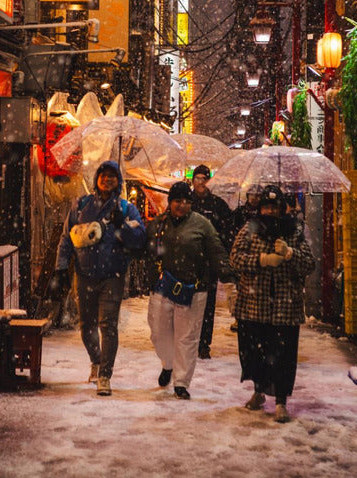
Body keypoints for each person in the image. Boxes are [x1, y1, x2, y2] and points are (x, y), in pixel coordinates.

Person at [52, 160, 146, 397]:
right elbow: (66, 238)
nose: (107, 179)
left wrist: (121, 225)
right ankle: (96, 360)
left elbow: (139, 239)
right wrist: (61, 268)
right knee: (86, 327)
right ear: (96, 179)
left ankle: (105, 375)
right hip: (83, 275)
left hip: (112, 276)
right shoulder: (81, 205)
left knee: (109, 326)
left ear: (118, 181)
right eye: (103, 175)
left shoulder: (126, 209)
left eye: (112, 176)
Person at [229, 184, 316, 423]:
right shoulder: (250, 228)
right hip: (254, 306)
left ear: (282, 209)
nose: (269, 212)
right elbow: (235, 259)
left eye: (274, 207)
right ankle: (258, 391)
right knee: (254, 353)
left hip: (284, 308)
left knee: (283, 356)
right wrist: (261, 260)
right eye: (265, 207)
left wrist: (290, 254)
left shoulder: (294, 231)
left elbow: (309, 264)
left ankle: (281, 402)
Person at [145, 180, 234, 400]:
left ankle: (181, 382)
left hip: (194, 290)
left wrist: (228, 278)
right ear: (170, 202)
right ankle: (168, 364)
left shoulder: (202, 225)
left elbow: (216, 251)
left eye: (186, 201)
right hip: (163, 288)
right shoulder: (159, 224)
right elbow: (145, 251)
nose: (182, 205)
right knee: (158, 333)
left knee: (187, 338)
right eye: (177, 200)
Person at [190, 165, 243, 355]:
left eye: (205, 179)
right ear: (193, 180)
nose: (201, 182)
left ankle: (203, 344)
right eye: (198, 178)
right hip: (188, 263)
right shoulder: (186, 202)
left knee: (207, 304)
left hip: (209, 263)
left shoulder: (217, 204)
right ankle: (188, 342)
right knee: (187, 304)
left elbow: (228, 229)